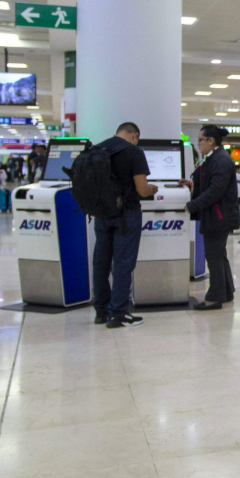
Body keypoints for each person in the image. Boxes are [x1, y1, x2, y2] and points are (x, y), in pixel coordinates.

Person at [91, 122, 156, 328]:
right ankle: (118, 313)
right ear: (135, 135)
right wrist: (154, 188)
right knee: (123, 263)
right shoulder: (133, 152)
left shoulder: (97, 149)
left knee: (101, 262)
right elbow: (142, 189)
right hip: (126, 214)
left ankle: (101, 311)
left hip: (102, 213)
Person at [184, 125, 240, 310]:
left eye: (200, 139)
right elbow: (210, 182)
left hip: (219, 216)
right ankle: (226, 291)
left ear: (210, 141)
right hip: (217, 214)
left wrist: (192, 205)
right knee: (219, 254)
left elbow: (216, 190)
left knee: (214, 256)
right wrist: (191, 183)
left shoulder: (221, 160)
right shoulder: (215, 158)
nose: (198, 143)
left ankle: (214, 297)